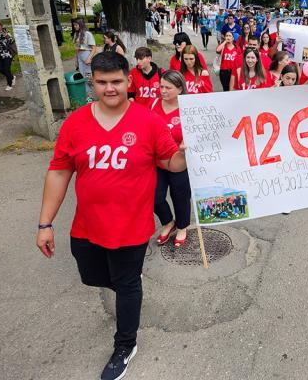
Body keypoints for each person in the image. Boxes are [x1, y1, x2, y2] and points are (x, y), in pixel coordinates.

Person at [36, 51, 187, 380]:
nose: (110, 88)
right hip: (87, 227)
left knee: (127, 285)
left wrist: (188, 153)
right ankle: (128, 282)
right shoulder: (76, 123)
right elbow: (60, 171)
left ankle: (125, 344)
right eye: (102, 82)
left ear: (128, 81)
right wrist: (45, 223)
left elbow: (170, 163)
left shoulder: (149, 122)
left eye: (116, 81)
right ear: (93, 82)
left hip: (131, 229)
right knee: (92, 276)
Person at [151, 70, 192, 248]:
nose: (163, 90)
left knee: (180, 196)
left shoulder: (188, 109)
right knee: (154, 197)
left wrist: (186, 144)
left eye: (168, 87)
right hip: (156, 161)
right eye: (161, 86)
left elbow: (195, 134)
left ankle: (182, 226)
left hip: (179, 161)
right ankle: (168, 222)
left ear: (180, 89)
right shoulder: (153, 104)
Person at [74, 18, 97, 101]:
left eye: (76, 25)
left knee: (89, 78)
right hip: (80, 57)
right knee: (83, 77)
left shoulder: (88, 34)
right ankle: (89, 96)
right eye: (74, 25)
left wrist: (89, 58)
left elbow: (94, 48)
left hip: (87, 56)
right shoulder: (76, 34)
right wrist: (76, 60)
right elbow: (76, 49)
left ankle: (101, 89)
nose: (75, 26)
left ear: (81, 25)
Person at [0, 20, 17, 91]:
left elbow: (12, 41)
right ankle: (12, 77)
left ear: (1, 26)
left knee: (6, 69)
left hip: (7, 54)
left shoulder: (6, 32)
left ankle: (9, 84)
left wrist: (7, 37)